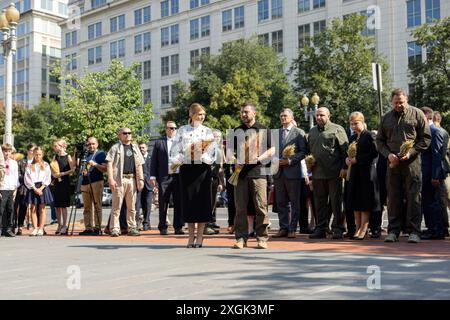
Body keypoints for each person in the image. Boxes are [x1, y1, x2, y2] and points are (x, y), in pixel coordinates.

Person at [376, 88, 431, 243]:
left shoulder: (417, 114)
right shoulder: (385, 118)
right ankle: (393, 231)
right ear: (391, 102)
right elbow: (379, 141)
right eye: (395, 102)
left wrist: (412, 152)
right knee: (393, 197)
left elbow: (426, 139)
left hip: (412, 163)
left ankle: (414, 231)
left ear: (406, 99)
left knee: (413, 196)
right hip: (392, 163)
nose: (398, 105)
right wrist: (388, 155)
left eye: (401, 102)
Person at [228, 101, 274, 249]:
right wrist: (235, 161)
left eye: (246, 112)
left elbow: (272, 149)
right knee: (240, 208)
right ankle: (241, 238)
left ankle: (262, 238)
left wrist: (259, 159)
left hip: (259, 173)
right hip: (240, 175)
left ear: (254, 113)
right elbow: (228, 152)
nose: (243, 115)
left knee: (261, 206)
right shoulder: (236, 131)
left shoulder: (264, 129)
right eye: (242, 112)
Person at [170, 103, 217, 248]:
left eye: (203, 114)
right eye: (199, 114)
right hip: (187, 170)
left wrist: (202, 154)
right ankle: (190, 236)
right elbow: (174, 152)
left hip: (202, 170)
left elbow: (213, 153)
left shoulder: (208, 131)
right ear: (191, 114)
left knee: (202, 203)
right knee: (189, 203)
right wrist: (185, 156)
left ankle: (200, 237)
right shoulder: (182, 131)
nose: (201, 117)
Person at [308, 107, 348, 239]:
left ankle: (338, 229)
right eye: (317, 115)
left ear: (328, 116)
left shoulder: (337, 129)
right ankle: (321, 228)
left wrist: (344, 167)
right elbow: (309, 152)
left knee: (336, 202)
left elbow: (345, 150)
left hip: (334, 173)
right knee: (319, 202)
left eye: (322, 115)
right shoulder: (312, 132)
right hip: (317, 173)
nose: (319, 117)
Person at [272, 108, 307, 238]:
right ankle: (283, 227)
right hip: (278, 173)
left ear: (292, 117)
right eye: (281, 116)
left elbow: (303, 151)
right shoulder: (275, 133)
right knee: (281, 202)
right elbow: (271, 150)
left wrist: (289, 161)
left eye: (285, 116)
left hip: (293, 172)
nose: (283, 118)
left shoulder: (299, 132)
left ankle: (292, 228)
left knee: (294, 202)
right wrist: (273, 159)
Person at [344, 112, 380, 240]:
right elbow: (348, 153)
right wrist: (347, 160)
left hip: (367, 173)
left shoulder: (370, 135)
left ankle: (364, 228)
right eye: (351, 124)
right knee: (355, 200)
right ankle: (357, 226)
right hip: (354, 173)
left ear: (362, 122)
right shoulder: (353, 138)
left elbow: (375, 153)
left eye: (356, 123)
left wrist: (358, 160)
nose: (353, 126)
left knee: (365, 200)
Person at [106, 128, 145, 237]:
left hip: (132, 179)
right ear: (120, 135)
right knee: (116, 205)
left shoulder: (135, 148)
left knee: (132, 206)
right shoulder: (115, 147)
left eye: (129, 133)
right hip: (119, 179)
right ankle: (114, 228)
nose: (127, 135)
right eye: (125, 133)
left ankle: (132, 227)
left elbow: (139, 164)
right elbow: (109, 163)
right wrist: (110, 179)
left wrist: (141, 179)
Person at [150, 121, 184, 235]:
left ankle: (178, 227)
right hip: (164, 176)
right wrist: (152, 176)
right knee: (163, 202)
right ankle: (163, 226)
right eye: (170, 128)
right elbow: (154, 161)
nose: (172, 130)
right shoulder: (159, 142)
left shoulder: (181, 143)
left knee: (179, 202)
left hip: (178, 176)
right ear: (166, 129)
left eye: (174, 128)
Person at [420, 107, 446, 240]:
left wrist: (435, 175)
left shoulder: (434, 132)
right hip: (426, 173)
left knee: (433, 202)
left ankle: (437, 230)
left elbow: (437, 155)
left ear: (427, 117)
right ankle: (432, 228)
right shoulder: (425, 131)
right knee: (427, 201)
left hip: (432, 174)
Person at [79, 137, 107, 236]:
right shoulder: (84, 154)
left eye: (93, 144)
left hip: (96, 182)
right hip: (85, 182)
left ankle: (97, 227)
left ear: (97, 144)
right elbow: (78, 167)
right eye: (89, 144)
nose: (91, 146)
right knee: (86, 207)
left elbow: (105, 169)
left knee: (97, 205)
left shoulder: (101, 154)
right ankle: (88, 228)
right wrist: (83, 171)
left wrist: (95, 165)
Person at [24, 147, 53, 236]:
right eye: (36, 154)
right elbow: (27, 178)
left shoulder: (46, 165)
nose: (38, 156)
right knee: (33, 208)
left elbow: (48, 177)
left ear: (42, 155)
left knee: (42, 208)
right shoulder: (29, 165)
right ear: (33, 154)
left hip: (43, 187)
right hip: (33, 187)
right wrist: (34, 188)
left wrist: (41, 188)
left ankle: (41, 228)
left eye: (40, 154)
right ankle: (35, 228)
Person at [50, 139, 76, 235]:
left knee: (64, 206)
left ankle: (65, 225)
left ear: (61, 146)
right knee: (57, 205)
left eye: (56, 146)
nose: (54, 147)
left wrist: (63, 173)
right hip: (57, 183)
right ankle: (59, 224)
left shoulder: (68, 156)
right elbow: (52, 168)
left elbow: (73, 169)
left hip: (65, 183)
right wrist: (54, 174)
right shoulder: (55, 156)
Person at [433, 111, 450, 236]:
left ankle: (443, 227)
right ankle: (444, 227)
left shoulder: (438, 133)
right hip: (444, 170)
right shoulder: (444, 132)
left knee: (442, 199)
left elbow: (440, 155)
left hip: (442, 171)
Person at [15, 143, 36, 235]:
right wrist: (26, 179)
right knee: (23, 207)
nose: (33, 152)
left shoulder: (38, 161)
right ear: (28, 151)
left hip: (35, 186)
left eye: (34, 150)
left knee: (36, 207)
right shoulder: (21, 161)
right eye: (31, 150)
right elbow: (18, 174)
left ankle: (38, 227)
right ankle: (20, 226)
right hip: (24, 187)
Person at [136, 142, 154, 231]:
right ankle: (136, 224)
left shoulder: (152, 158)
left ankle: (146, 223)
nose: (141, 149)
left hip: (149, 185)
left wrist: (156, 185)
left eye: (143, 147)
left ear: (146, 148)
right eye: (140, 147)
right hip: (138, 185)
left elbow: (154, 171)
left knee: (147, 205)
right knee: (137, 205)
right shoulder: (136, 158)